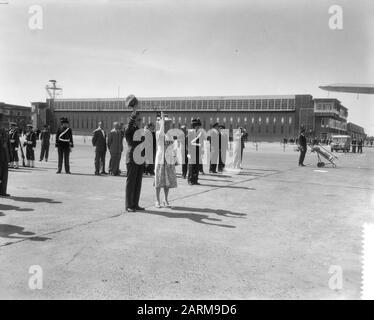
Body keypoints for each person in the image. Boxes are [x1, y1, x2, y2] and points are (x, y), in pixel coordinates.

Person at [124, 94, 145, 212]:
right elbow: (129, 126)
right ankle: (128, 205)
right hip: (132, 158)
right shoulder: (129, 129)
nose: (141, 121)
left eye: (141, 119)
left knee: (138, 182)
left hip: (140, 158)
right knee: (131, 182)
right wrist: (134, 113)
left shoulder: (140, 131)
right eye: (139, 119)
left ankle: (135, 204)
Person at [154, 112, 177, 208]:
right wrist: (162, 119)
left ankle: (165, 199)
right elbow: (161, 136)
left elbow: (172, 147)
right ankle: (157, 200)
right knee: (158, 180)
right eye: (167, 124)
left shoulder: (170, 135)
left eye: (169, 124)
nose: (169, 125)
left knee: (167, 180)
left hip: (168, 159)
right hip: (160, 159)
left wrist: (175, 157)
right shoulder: (158, 133)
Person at [187, 118, 202, 185]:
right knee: (191, 166)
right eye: (197, 126)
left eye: (199, 126)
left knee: (196, 166)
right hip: (191, 152)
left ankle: (195, 180)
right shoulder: (190, 133)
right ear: (194, 126)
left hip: (197, 151)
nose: (198, 127)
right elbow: (188, 143)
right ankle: (190, 180)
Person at [0, 114, 10, 196]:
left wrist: (9, 156)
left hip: (4, 156)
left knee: (4, 175)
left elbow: (7, 144)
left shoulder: (4, 130)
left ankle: (3, 191)